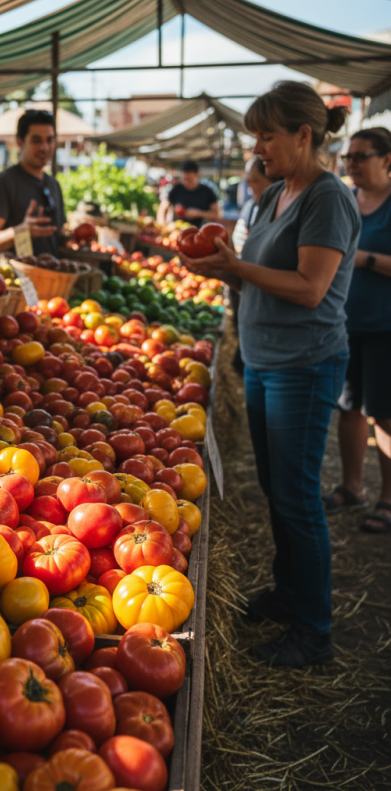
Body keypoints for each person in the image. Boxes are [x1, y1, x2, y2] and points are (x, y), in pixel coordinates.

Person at [178, 81, 359, 668]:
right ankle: (289, 592)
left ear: (304, 135)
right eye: (254, 136)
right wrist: (219, 270)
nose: (257, 147)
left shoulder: (327, 199)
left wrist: (236, 266)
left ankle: (314, 630)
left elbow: (310, 288)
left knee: (299, 496)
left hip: (303, 364)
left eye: (266, 136)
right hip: (263, 360)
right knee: (278, 488)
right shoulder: (275, 194)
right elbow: (254, 272)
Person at [322, 128, 391, 532]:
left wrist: (364, 259)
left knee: (384, 413)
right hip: (344, 323)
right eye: (349, 157)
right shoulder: (345, 200)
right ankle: (352, 488)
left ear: (387, 160)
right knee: (348, 407)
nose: (351, 164)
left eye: (361, 156)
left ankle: (388, 498)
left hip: (385, 325)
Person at [0, 109, 66, 256]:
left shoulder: (53, 185)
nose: (44, 147)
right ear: (20, 142)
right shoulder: (3, 183)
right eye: (37, 141)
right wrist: (20, 232)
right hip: (14, 271)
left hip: (50, 270)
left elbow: (59, 233)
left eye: (49, 140)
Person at [229, 157, 274, 375]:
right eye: (248, 180)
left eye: (255, 181)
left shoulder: (275, 211)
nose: (249, 186)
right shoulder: (251, 206)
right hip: (245, 285)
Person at [158, 159, 220, 228]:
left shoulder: (207, 192)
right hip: (177, 230)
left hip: (198, 231)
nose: (186, 182)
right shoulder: (176, 190)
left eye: (189, 179)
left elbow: (216, 215)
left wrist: (199, 213)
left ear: (197, 175)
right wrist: (162, 223)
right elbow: (163, 207)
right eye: (184, 179)